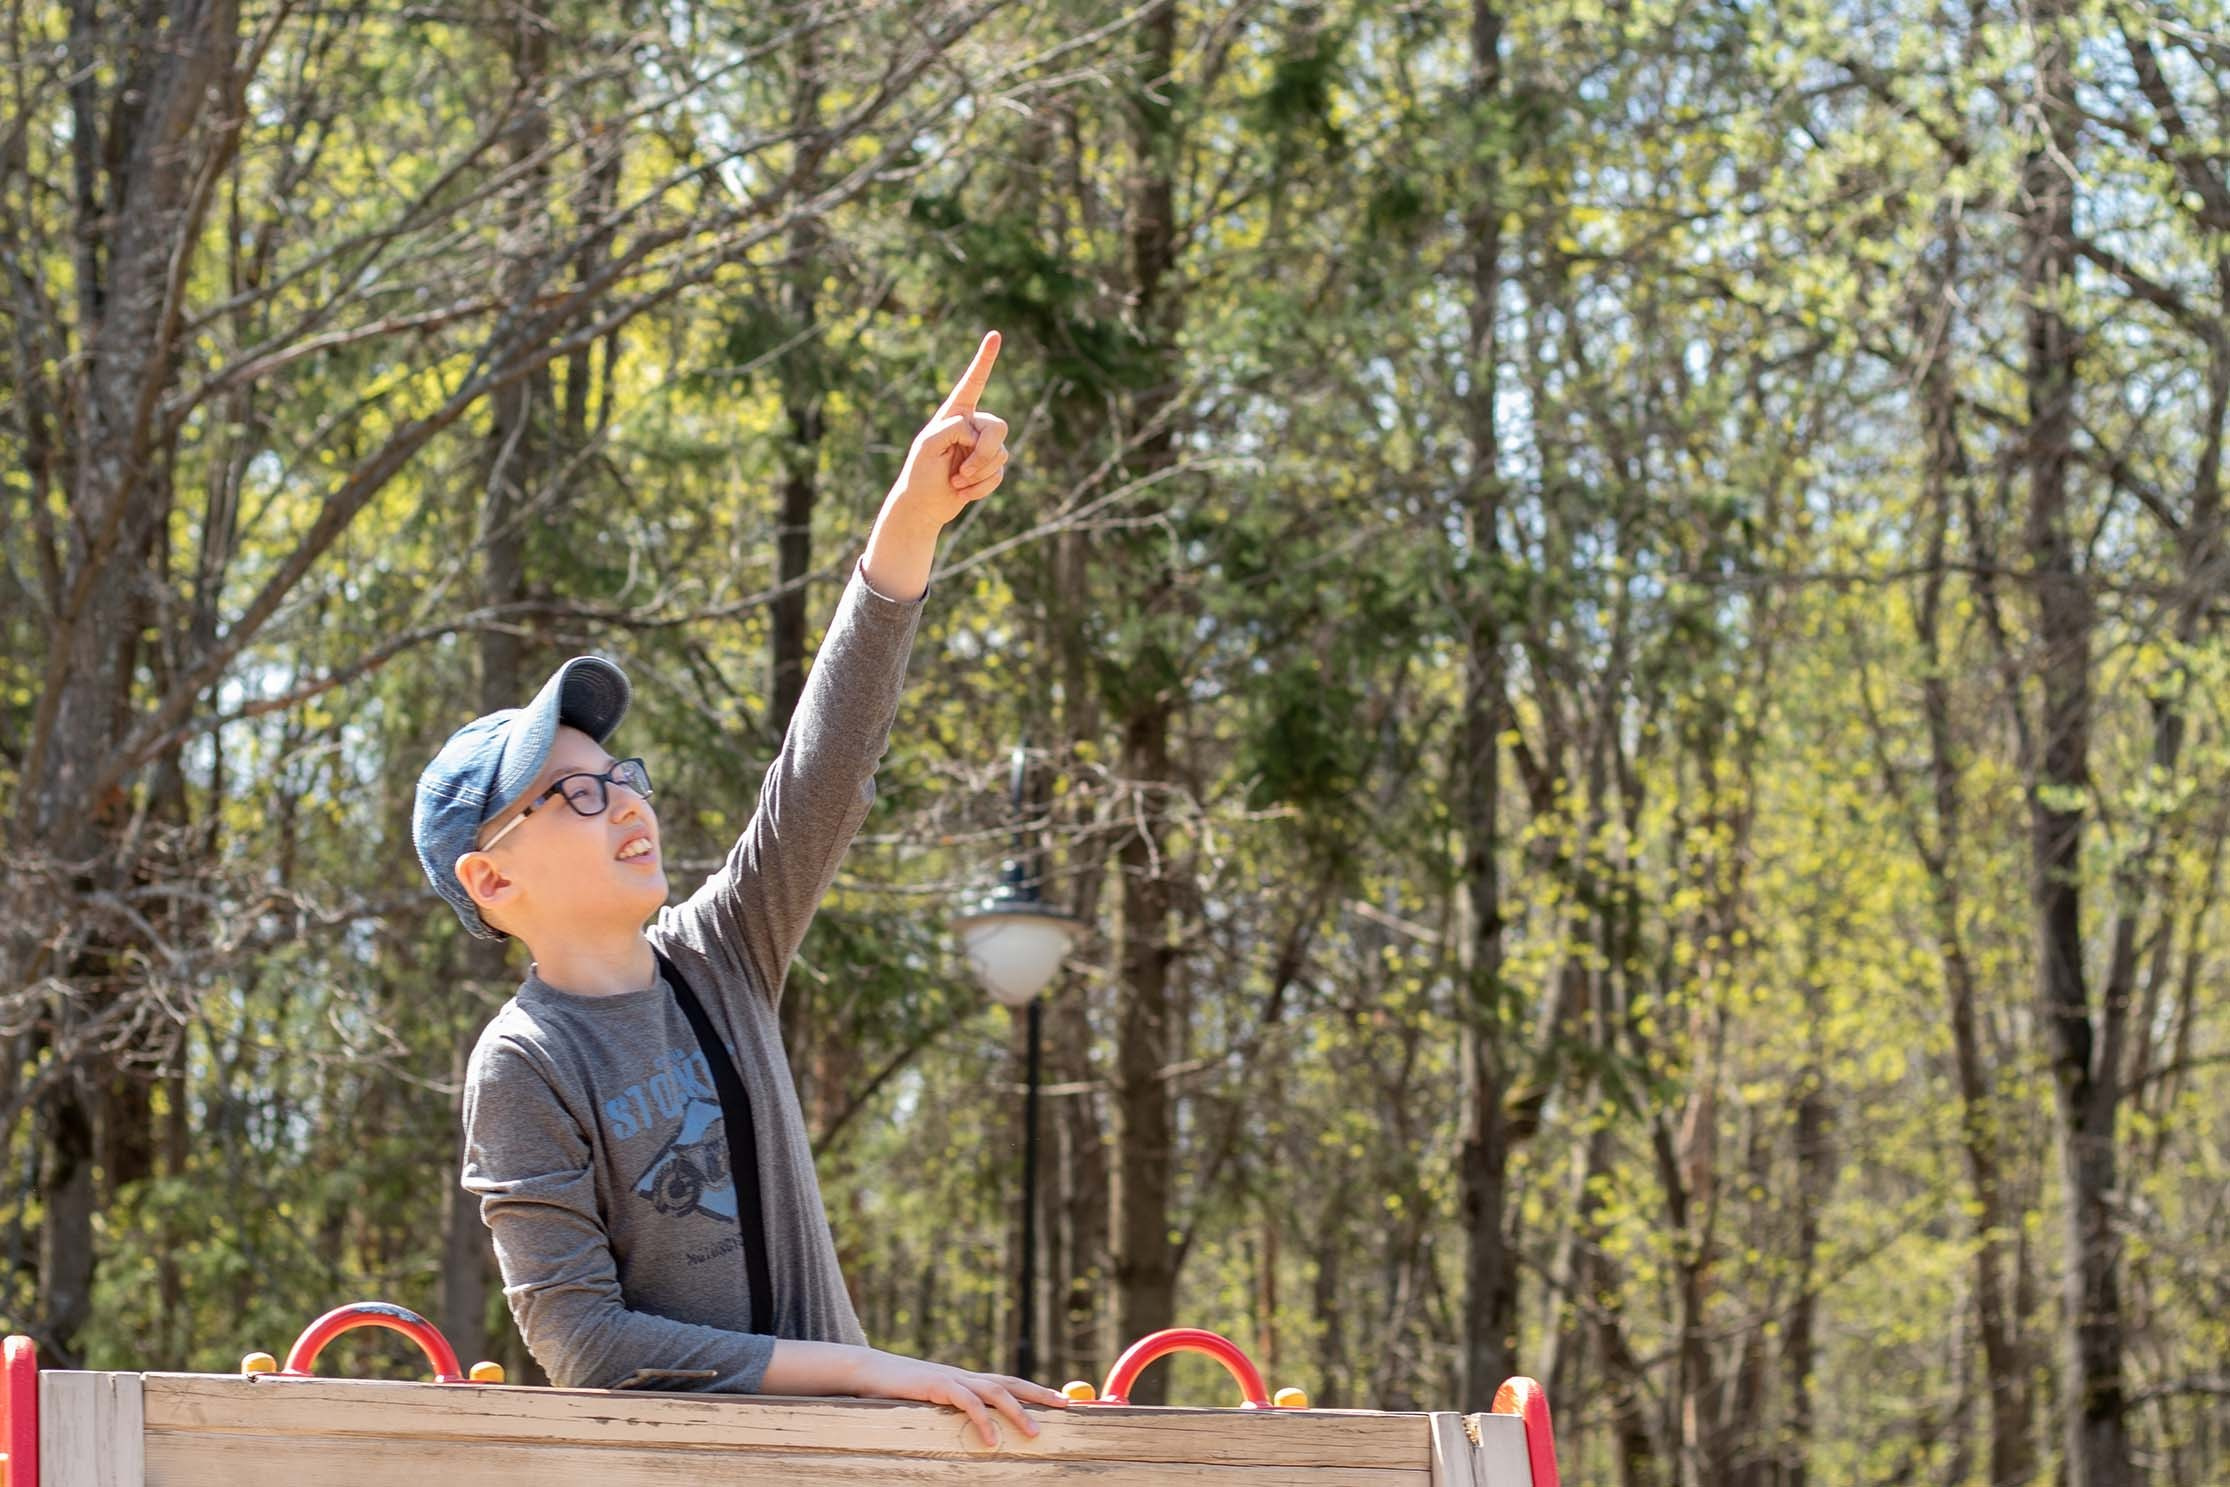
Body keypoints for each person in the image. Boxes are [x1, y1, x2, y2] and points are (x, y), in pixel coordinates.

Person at [411, 333, 1060, 1447]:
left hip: (850, 1466)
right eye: (575, 795)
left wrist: (908, 523)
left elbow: (825, 767)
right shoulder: (524, 1062)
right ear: (491, 877)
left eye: (624, 777)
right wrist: (856, 1368)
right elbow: (586, 1345)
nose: (626, 803)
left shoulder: (721, 955)